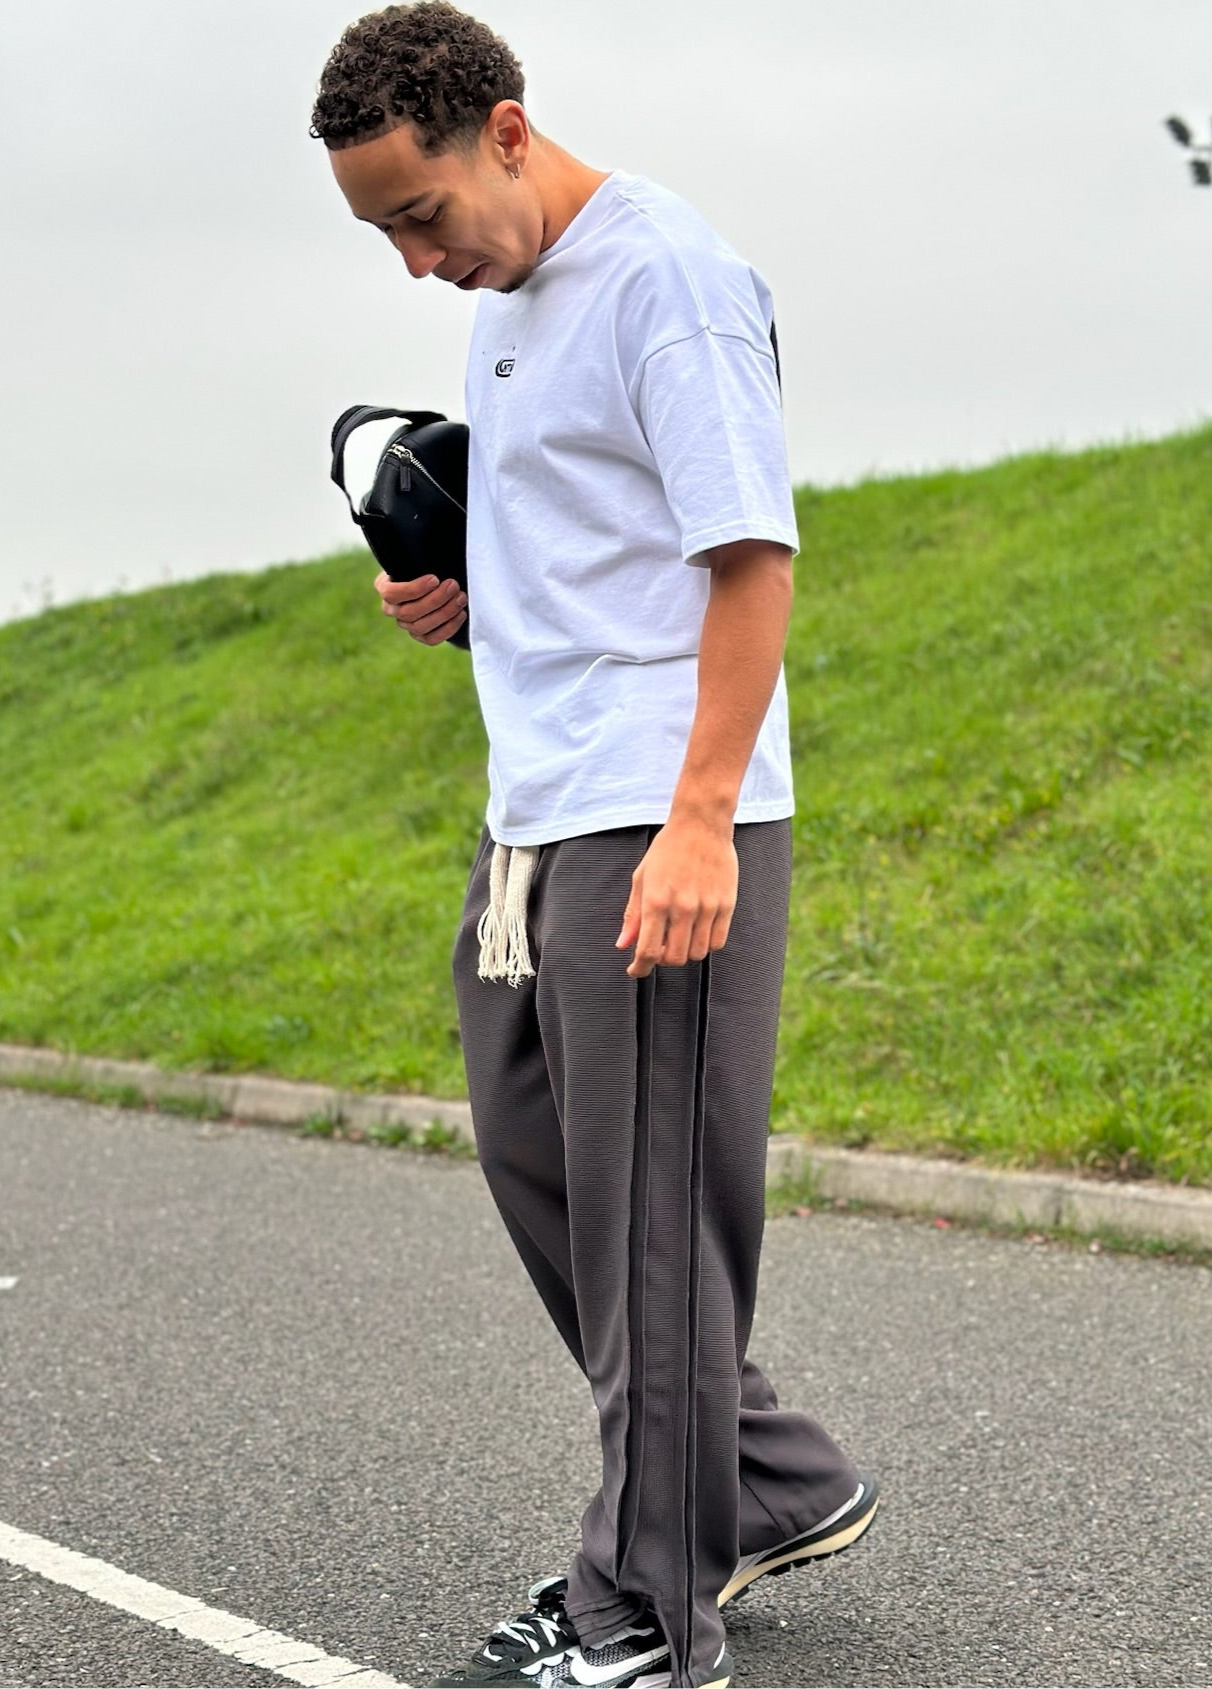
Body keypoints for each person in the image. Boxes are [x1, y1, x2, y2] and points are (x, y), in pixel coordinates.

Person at [309, 7, 879, 1687]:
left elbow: (747, 557)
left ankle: (644, 1611)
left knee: (649, 1222)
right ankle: (763, 1481)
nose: (416, 265)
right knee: (541, 1163)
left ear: (500, 128)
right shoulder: (502, 296)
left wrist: (701, 821)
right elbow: (587, 531)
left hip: (652, 811)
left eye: (420, 215)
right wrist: (459, 586)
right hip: (534, 813)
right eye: (380, 236)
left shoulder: (664, 279)